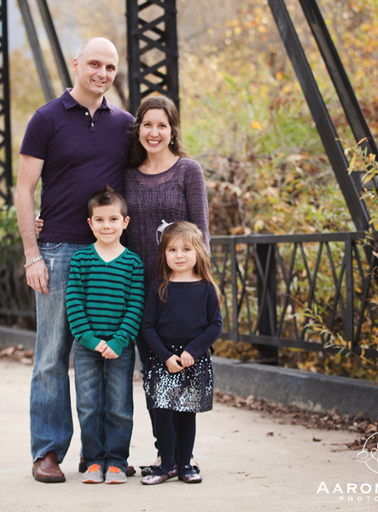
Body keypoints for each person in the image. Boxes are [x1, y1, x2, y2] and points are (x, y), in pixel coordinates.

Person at [16, 37, 134, 483]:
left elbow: (145, 177)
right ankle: (47, 452)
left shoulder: (124, 125)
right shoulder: (46, 119)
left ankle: (100, 454)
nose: (102, 73)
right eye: (94, 64)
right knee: (51, 355)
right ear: (76, 64)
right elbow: (24, 189)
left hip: (109, 255)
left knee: (104, 356)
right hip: (58, 249)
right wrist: (32, 254)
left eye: (110, 66)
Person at [123, 95, 211, 474]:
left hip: (183, 292)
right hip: (142, 293)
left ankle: (184, 457)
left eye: (162, 125)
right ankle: (166, 456)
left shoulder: (188, 171)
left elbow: (202, 233)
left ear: (173, 129)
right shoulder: (126, 174)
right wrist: (46, 217)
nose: (154, 132)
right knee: (156, 377)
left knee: (184, 378)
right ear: (138, 129)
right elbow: (105, 215)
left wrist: (202, 285)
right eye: (147, 125)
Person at [66, 185, 144, 484]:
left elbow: (135, 305)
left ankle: (116, 461)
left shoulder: (132, 262)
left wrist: (118, 341)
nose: (106, 225)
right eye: (99, 220)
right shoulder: (81, 260)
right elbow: (73, 302)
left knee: (119, 406)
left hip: (120, 348)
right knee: (88, 406)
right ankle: (94, 461)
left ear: (125, 222)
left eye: (113, 219)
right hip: (87, 347)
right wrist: (91, 340)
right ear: (90, 223)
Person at [139, 221, 223, 485]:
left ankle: (186, 463)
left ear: (198, 251)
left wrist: (193, 351)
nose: (179, 255)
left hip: (192, 360)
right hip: (163, 360)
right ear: (164, 254)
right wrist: (165, 356)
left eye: (186, 249)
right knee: (162, 411)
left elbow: (215, 325)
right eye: (172, 250)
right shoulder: (158, 288)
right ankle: (165, 465)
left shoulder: (207, 289)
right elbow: (148, 326)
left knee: (187, 413)